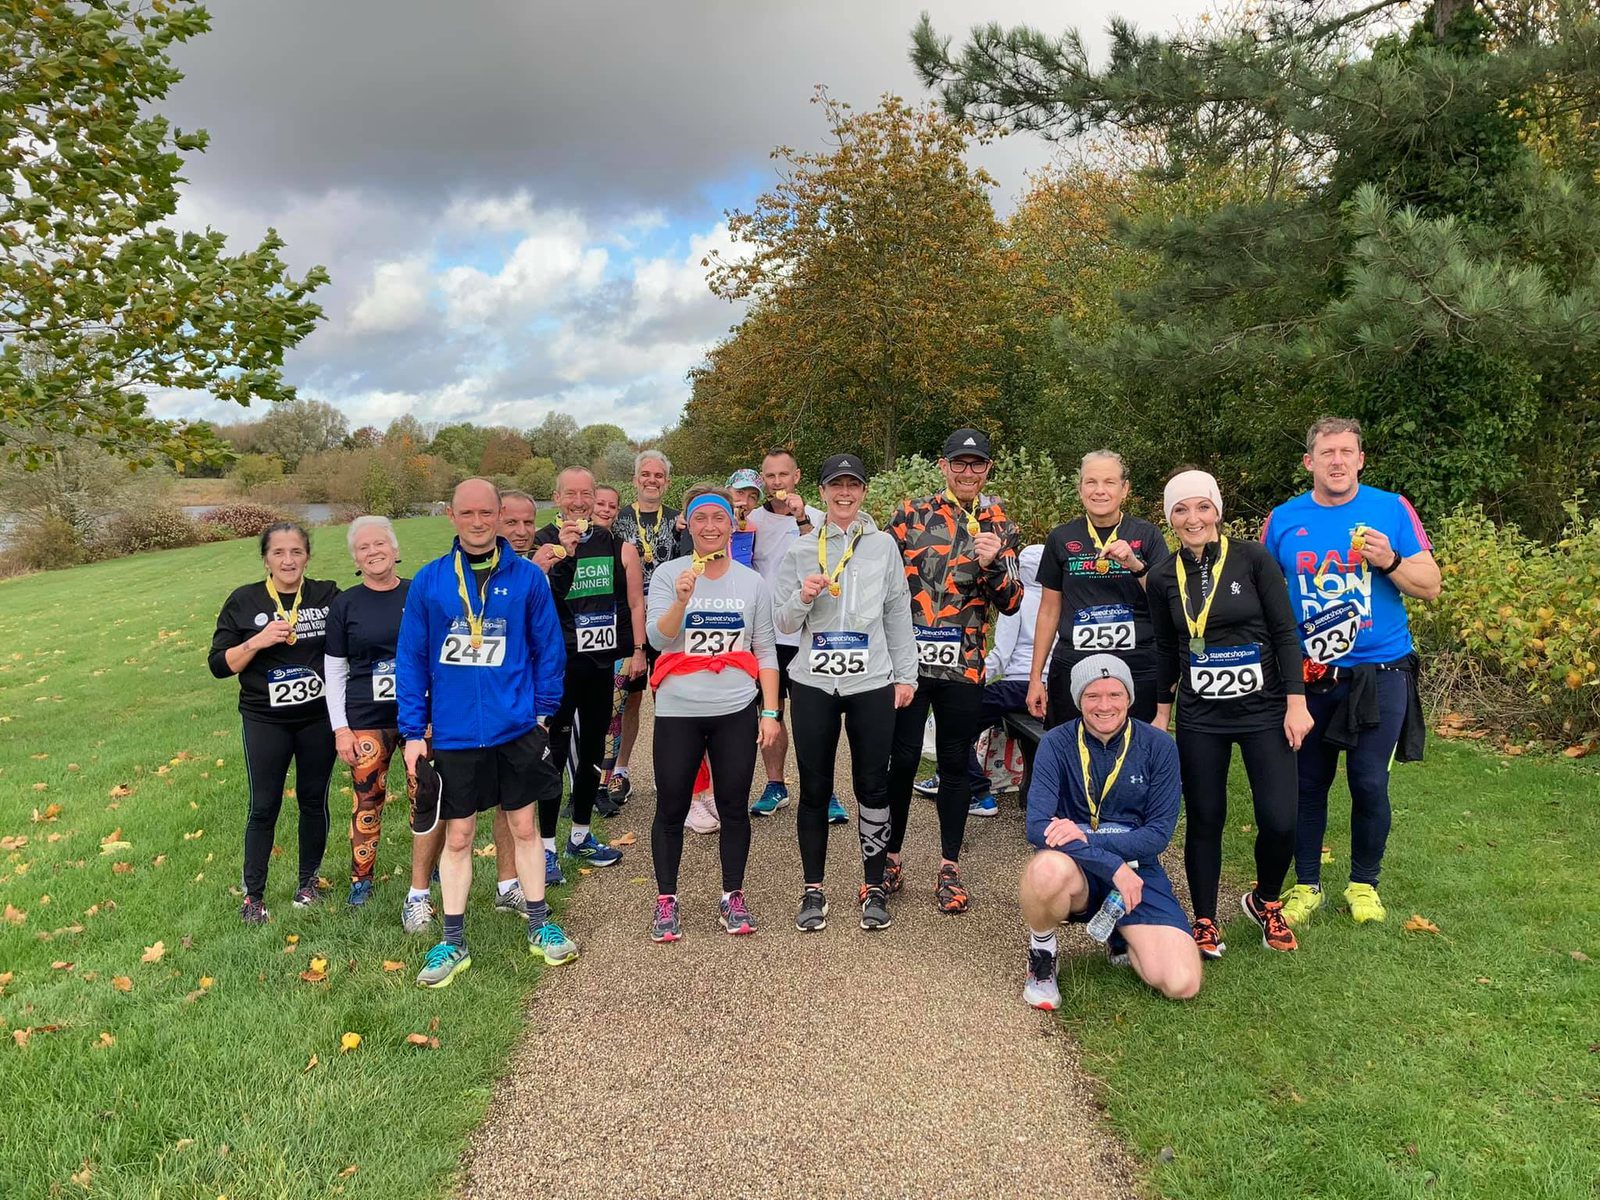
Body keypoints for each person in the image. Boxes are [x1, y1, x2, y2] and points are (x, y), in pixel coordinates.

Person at [397, 478, 577, 988]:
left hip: (515, 729)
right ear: (451, 517)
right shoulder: (431, 582)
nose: (478, 522)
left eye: (487, 513)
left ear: (500, 516)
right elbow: (410, 660)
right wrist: (414, 732)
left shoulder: (526, 580)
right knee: (458, 835)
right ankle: (452, 941)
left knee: (524, 828)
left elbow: (549, 651)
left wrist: (541, 714)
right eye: (467, 513)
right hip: (452, 735)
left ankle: (541, 925)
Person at [1262, 417, 1440, 926]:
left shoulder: (1391, 509)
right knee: (1307, 785)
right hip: (1309, 678)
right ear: (1309, 462)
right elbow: (1266, 599)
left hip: (1378, 673)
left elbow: (1430, 585)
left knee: (1368, 783)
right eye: (1327, 453)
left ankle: (1364, 883)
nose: (1337, 461)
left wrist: (1389, 559)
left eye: (1346, 452)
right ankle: (1307, 886)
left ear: (1360, 459)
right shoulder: (1283, 520)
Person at [1148, 469, 1312, 958]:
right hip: (1201, 716)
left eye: (1201, 507)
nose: (1192, 517)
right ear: (1170, 518)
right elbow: (1165, 647)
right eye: (1180, 509)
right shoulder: (1161, 576)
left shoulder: (1253, 559)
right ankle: (1203, 918)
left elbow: (1285, 632)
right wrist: (1162, 712)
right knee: (1205, 816)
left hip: (1263, 709)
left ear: (1217, 511)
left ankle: (1265, 900)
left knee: (1280, 818)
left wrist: (1296, 702)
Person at [774, 453, 917, 932]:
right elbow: (783, 622)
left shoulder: (882, 547)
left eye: (853, 485)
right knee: (814, 787)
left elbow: (897, 612)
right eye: (836, 485)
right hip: (814, 681)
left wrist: (906, 675)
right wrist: (804, 596)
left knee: (873, 787)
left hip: (871, 680)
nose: (844, 493)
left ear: (863, 491)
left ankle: (873, 885)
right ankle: (813, 888)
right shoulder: (799, 550)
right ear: (821, 492)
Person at [884, 428, 1022, 914]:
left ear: (987, 469)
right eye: (959, 463)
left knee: (954, 762)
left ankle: (949, 867)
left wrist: (993, 566)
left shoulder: (1000, 522)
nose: (968, 472)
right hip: (908, 662)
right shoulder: (909, 513)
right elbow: (883, 584)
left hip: (965, 665)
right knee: (900, 761)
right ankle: (889, 858)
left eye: (977, 464)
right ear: (943, 466)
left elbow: (1012, 603)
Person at [1020, 656, 1202, 1008]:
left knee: (1182, 983)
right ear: (1078, 700)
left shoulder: (1159, 746)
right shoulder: (1055, 744)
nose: (1105, 705)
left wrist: (1085, 837)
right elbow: (1037, 827)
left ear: (1129, 698)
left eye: (1115, 694)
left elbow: (1158, 835)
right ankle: (1042, 953)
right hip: (1077, 870)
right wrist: (1109, 863)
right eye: (1093, 696)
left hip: (1137, 871)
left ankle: (1123, 934)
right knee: (1044, 869)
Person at [645, 486, 781, 942]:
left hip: (734, 710)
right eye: (700, 518)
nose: (709, 526)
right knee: (671, 806)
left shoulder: (751, 582)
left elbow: (764, 651)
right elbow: (659, 640)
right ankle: (667, 900)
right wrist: (682, 601)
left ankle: (732, 895)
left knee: (734, 808)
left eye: (718, 518)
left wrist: (770, 712)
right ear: (688, 523)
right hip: (679, 710)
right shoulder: (669, 574)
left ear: (731, 525)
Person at [208, 522, 339, 924]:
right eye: (279, 552)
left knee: (313, 801)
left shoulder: (327, 595)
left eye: (296, 551)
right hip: (266, 720)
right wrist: (257, 641)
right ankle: (254, 897)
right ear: (266, 558)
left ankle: (307, 882)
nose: (288, 560)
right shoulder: (244, 601)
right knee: (263, 806)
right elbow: (218, 666)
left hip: (318, 719)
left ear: (307, 556)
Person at [324, 515, 444, 929]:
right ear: (355, 557)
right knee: (367, 801)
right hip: (365, 719)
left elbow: (438, 656)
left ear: (395, 550)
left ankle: (428, 871)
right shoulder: (346, 604)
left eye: (380, 544)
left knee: (425, 795)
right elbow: (335, 671)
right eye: (364, 547)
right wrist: (341, 728)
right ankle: (362, 880)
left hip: (418, 718)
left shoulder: (420, 593)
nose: (373, 552)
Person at [530, 467, 642, 880]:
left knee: (593, 749)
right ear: (557, 498)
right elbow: (535, 597)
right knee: (552, 755)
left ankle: (580, 835)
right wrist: (560, 556)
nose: (579, 502)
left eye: (586, 494)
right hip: (556, 667)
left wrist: (633, 650)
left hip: (599, 663)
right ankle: (545, 849)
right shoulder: (542, 541)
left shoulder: (610, 541)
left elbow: (623, 600)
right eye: (571, 494)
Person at [1029, 450, 1170, 728]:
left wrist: (1134, 563)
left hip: (1137, 663)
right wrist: (1036, 677)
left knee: (1137, 751)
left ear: (1125, 489)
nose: (1100, 491)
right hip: (1075, 661)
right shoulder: (1061, 537)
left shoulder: (1147, 534)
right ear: (1080, 488)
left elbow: (1165, 600)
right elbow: (1048, 610)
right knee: (1069, 750)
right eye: (1091, 482)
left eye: (1109, 482)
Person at [915, 542, 1051, 815]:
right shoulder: (1058, 600)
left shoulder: (1019, 601)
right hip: (1050, 686)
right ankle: (952, 777)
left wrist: (968, 676)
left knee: (954, 724)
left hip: (1016, 685)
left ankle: (978, 792)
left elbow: (1001, 654)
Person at [746, 449, 834, 818]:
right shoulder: (749, 519)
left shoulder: (817, 517)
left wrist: (801, 518)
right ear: (763, 480)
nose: (777, 483)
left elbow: (825, 559)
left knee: (815, 716)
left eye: (784, 475)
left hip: (806, 631)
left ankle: (823, 791)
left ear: (797, 477)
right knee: (771, 711)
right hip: (764, 633)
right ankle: (775, 784)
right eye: (770, 476)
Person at [609, 449, 680, 806]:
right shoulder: (619, 520)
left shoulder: (680, 520)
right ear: (636, 480)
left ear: (667, 482)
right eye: (646, 475)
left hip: (669, 623)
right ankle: (619, 771)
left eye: (659, 476)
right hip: (631, 623)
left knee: (671, 699)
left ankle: (673, 773)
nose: (652, 480)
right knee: (629, 700)